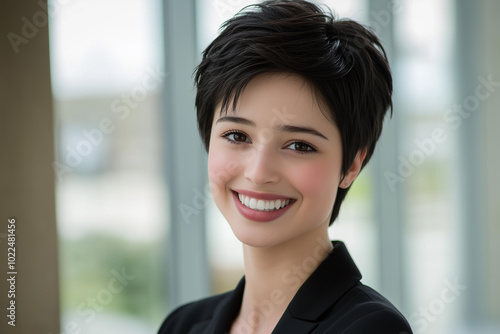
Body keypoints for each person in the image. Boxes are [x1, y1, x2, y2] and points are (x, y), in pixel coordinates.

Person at [158, 0, 413, 333]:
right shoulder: (182, 325)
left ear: (351, 166)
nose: (259, 172)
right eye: (237, 135)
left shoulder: (370, 327)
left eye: (299, 145)